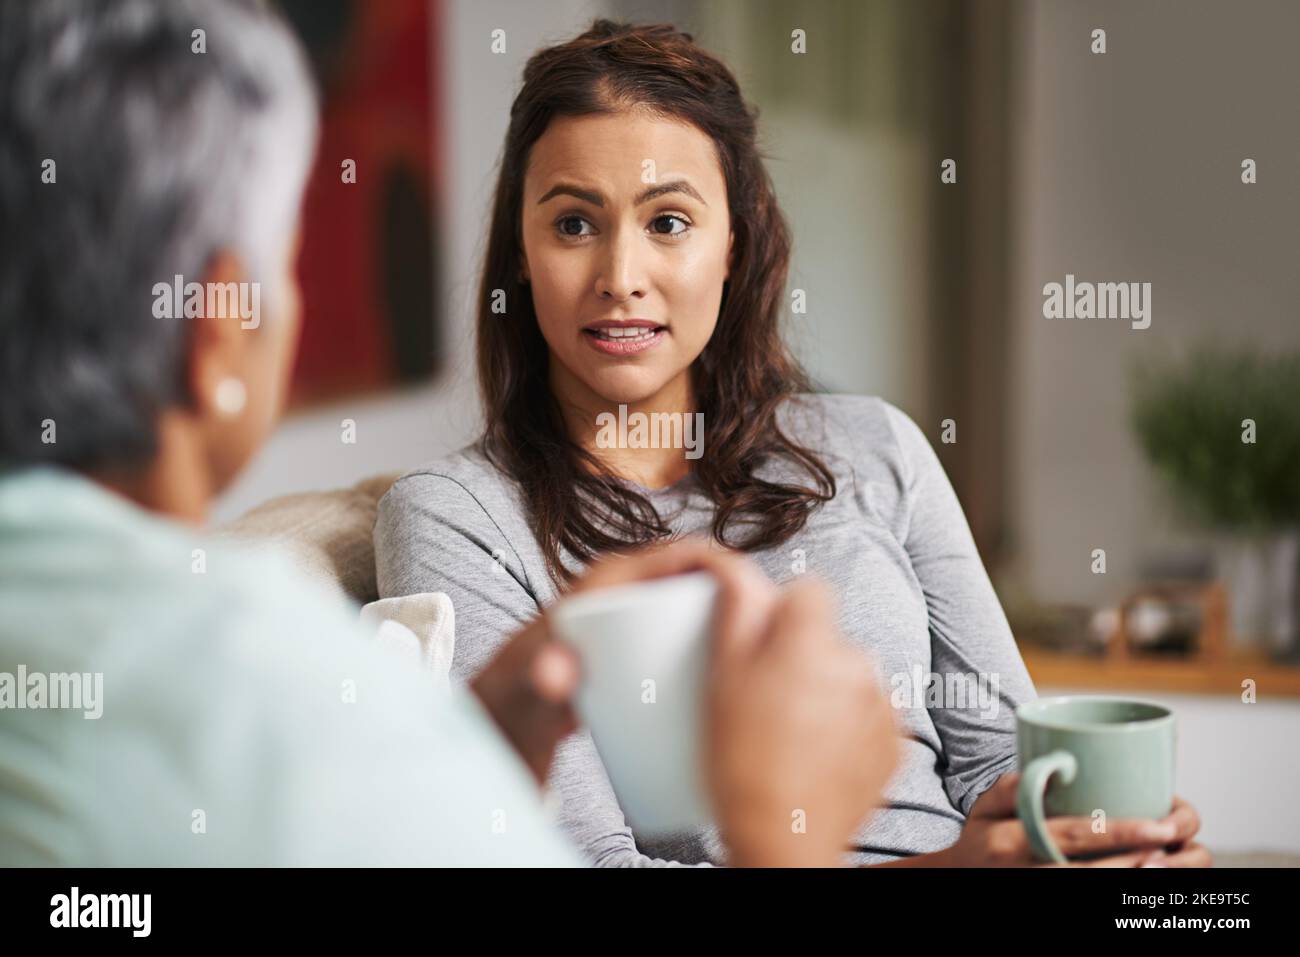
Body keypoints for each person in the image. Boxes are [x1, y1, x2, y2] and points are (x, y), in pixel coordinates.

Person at [0, 0, 900, 868]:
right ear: (217, 329)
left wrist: (480, 755)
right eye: (287, 255)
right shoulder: (266, 683)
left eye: (668, 221)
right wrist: (782, 838)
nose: (621, 276)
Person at [373, 19, 1209, 867]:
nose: (621, 275)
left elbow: (1002, 761)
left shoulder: (875, 443)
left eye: (668, 222)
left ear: (732, 243)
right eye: (575, 225)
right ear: (521, 247)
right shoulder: (458, 519)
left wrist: (1110, 840)